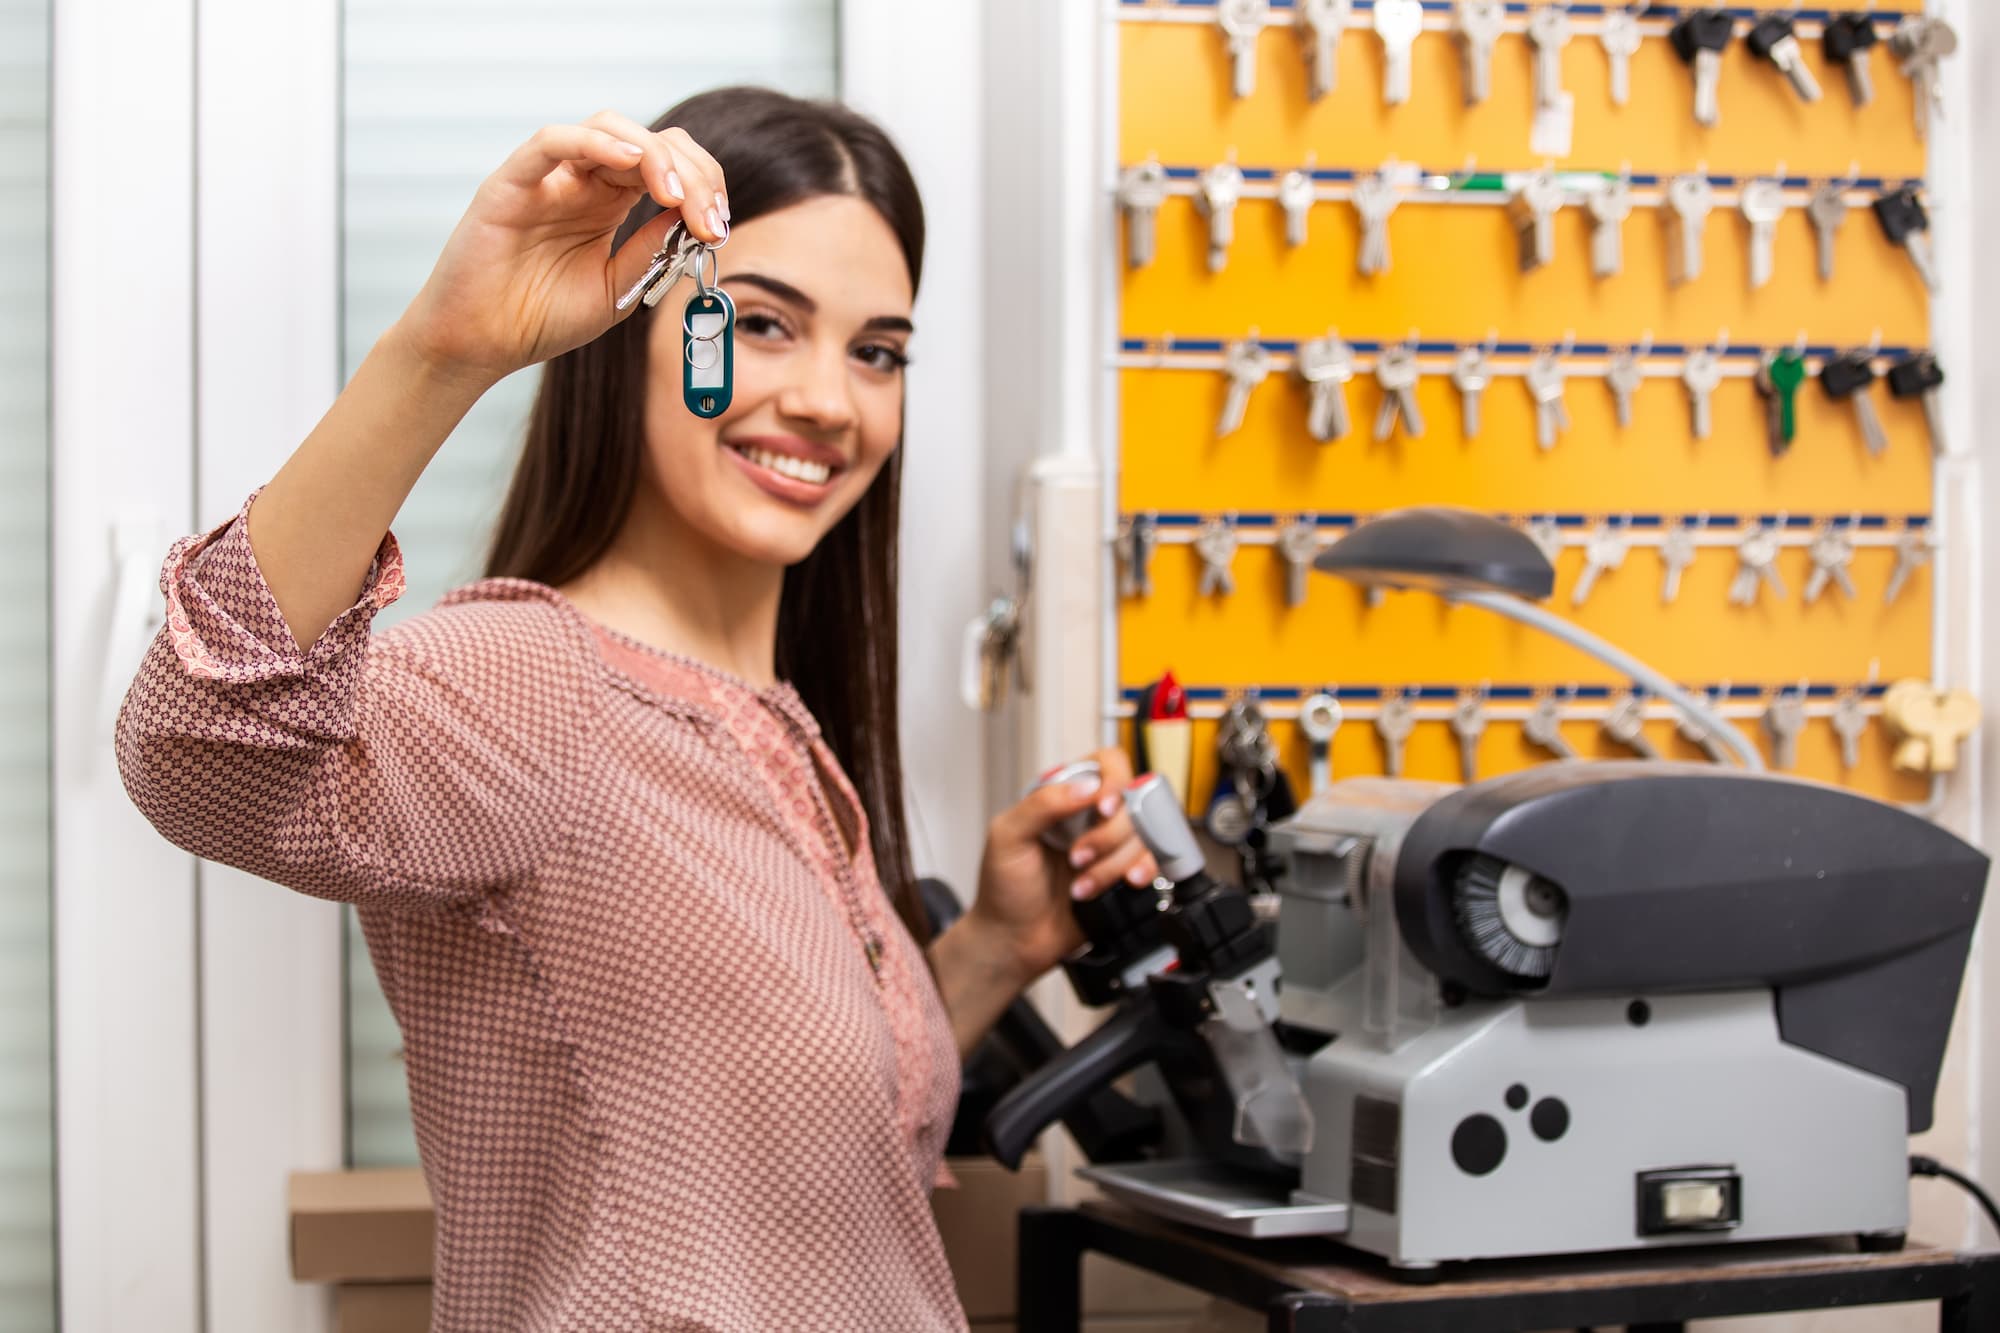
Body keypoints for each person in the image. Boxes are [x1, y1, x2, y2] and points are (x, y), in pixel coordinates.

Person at [116, 86, 1157, 1332]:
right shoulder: (523, 682)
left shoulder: (778, 725)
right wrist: (445, 349)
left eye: (877, 351)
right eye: (763, 324)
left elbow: (791, 1166)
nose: (831, 400)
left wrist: (991, 945)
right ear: (636, 335)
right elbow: (197, 747)